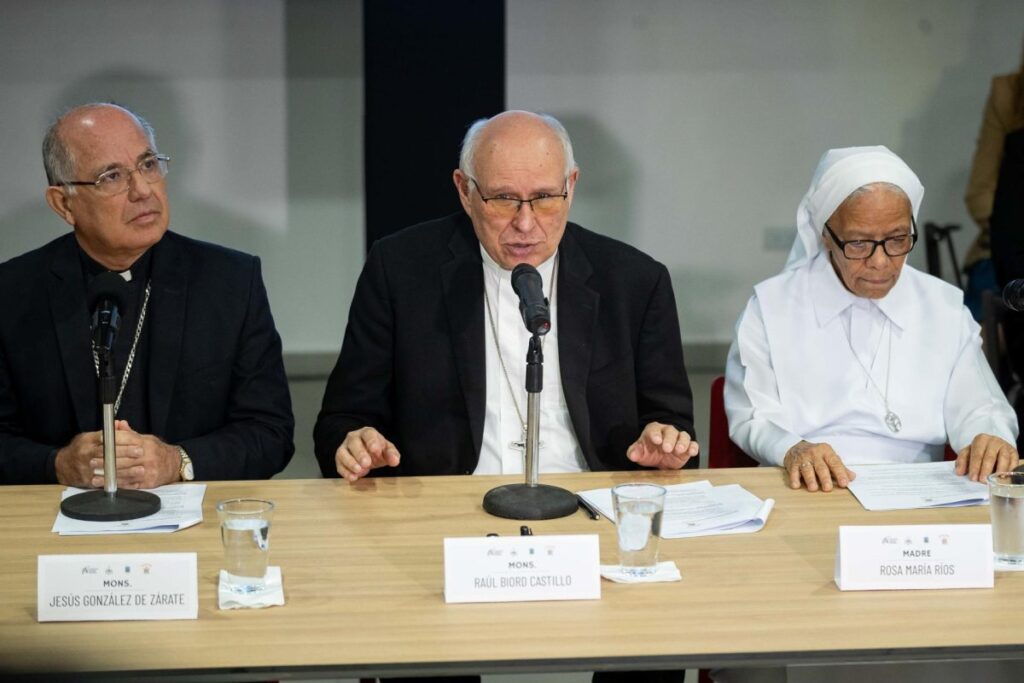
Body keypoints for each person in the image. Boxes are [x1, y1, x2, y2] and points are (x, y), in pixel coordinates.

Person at [315, 110, 698, 482]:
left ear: (572, 185)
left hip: (589, 502)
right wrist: (355, 445)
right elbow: (342, 421)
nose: (525, 223)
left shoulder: (635, 282)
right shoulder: (400, 270)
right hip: (447, 505)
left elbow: (674, 428)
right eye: (503, 199)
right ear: (465, 191)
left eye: (544, 197)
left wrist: (665, 445)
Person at [0, 102, 294, 486]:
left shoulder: (231, 282)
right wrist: (56, 464)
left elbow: (271, 432)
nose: (142, 190)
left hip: (196, 516)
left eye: (149, 165)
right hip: (52, 517)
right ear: (64, 203)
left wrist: (177, 461)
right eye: (111, 176)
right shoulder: (12, 293)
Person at [725, 145, 1018, 493]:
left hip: (919, 491)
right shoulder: (771, 308)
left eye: (897, 239)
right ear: (825, 234)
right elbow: (752, 413)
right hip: (808, 487)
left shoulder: (943, 307)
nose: (880, 262)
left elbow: (982, 406)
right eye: (859, 243)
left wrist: (990, 437)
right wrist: (791, 448)